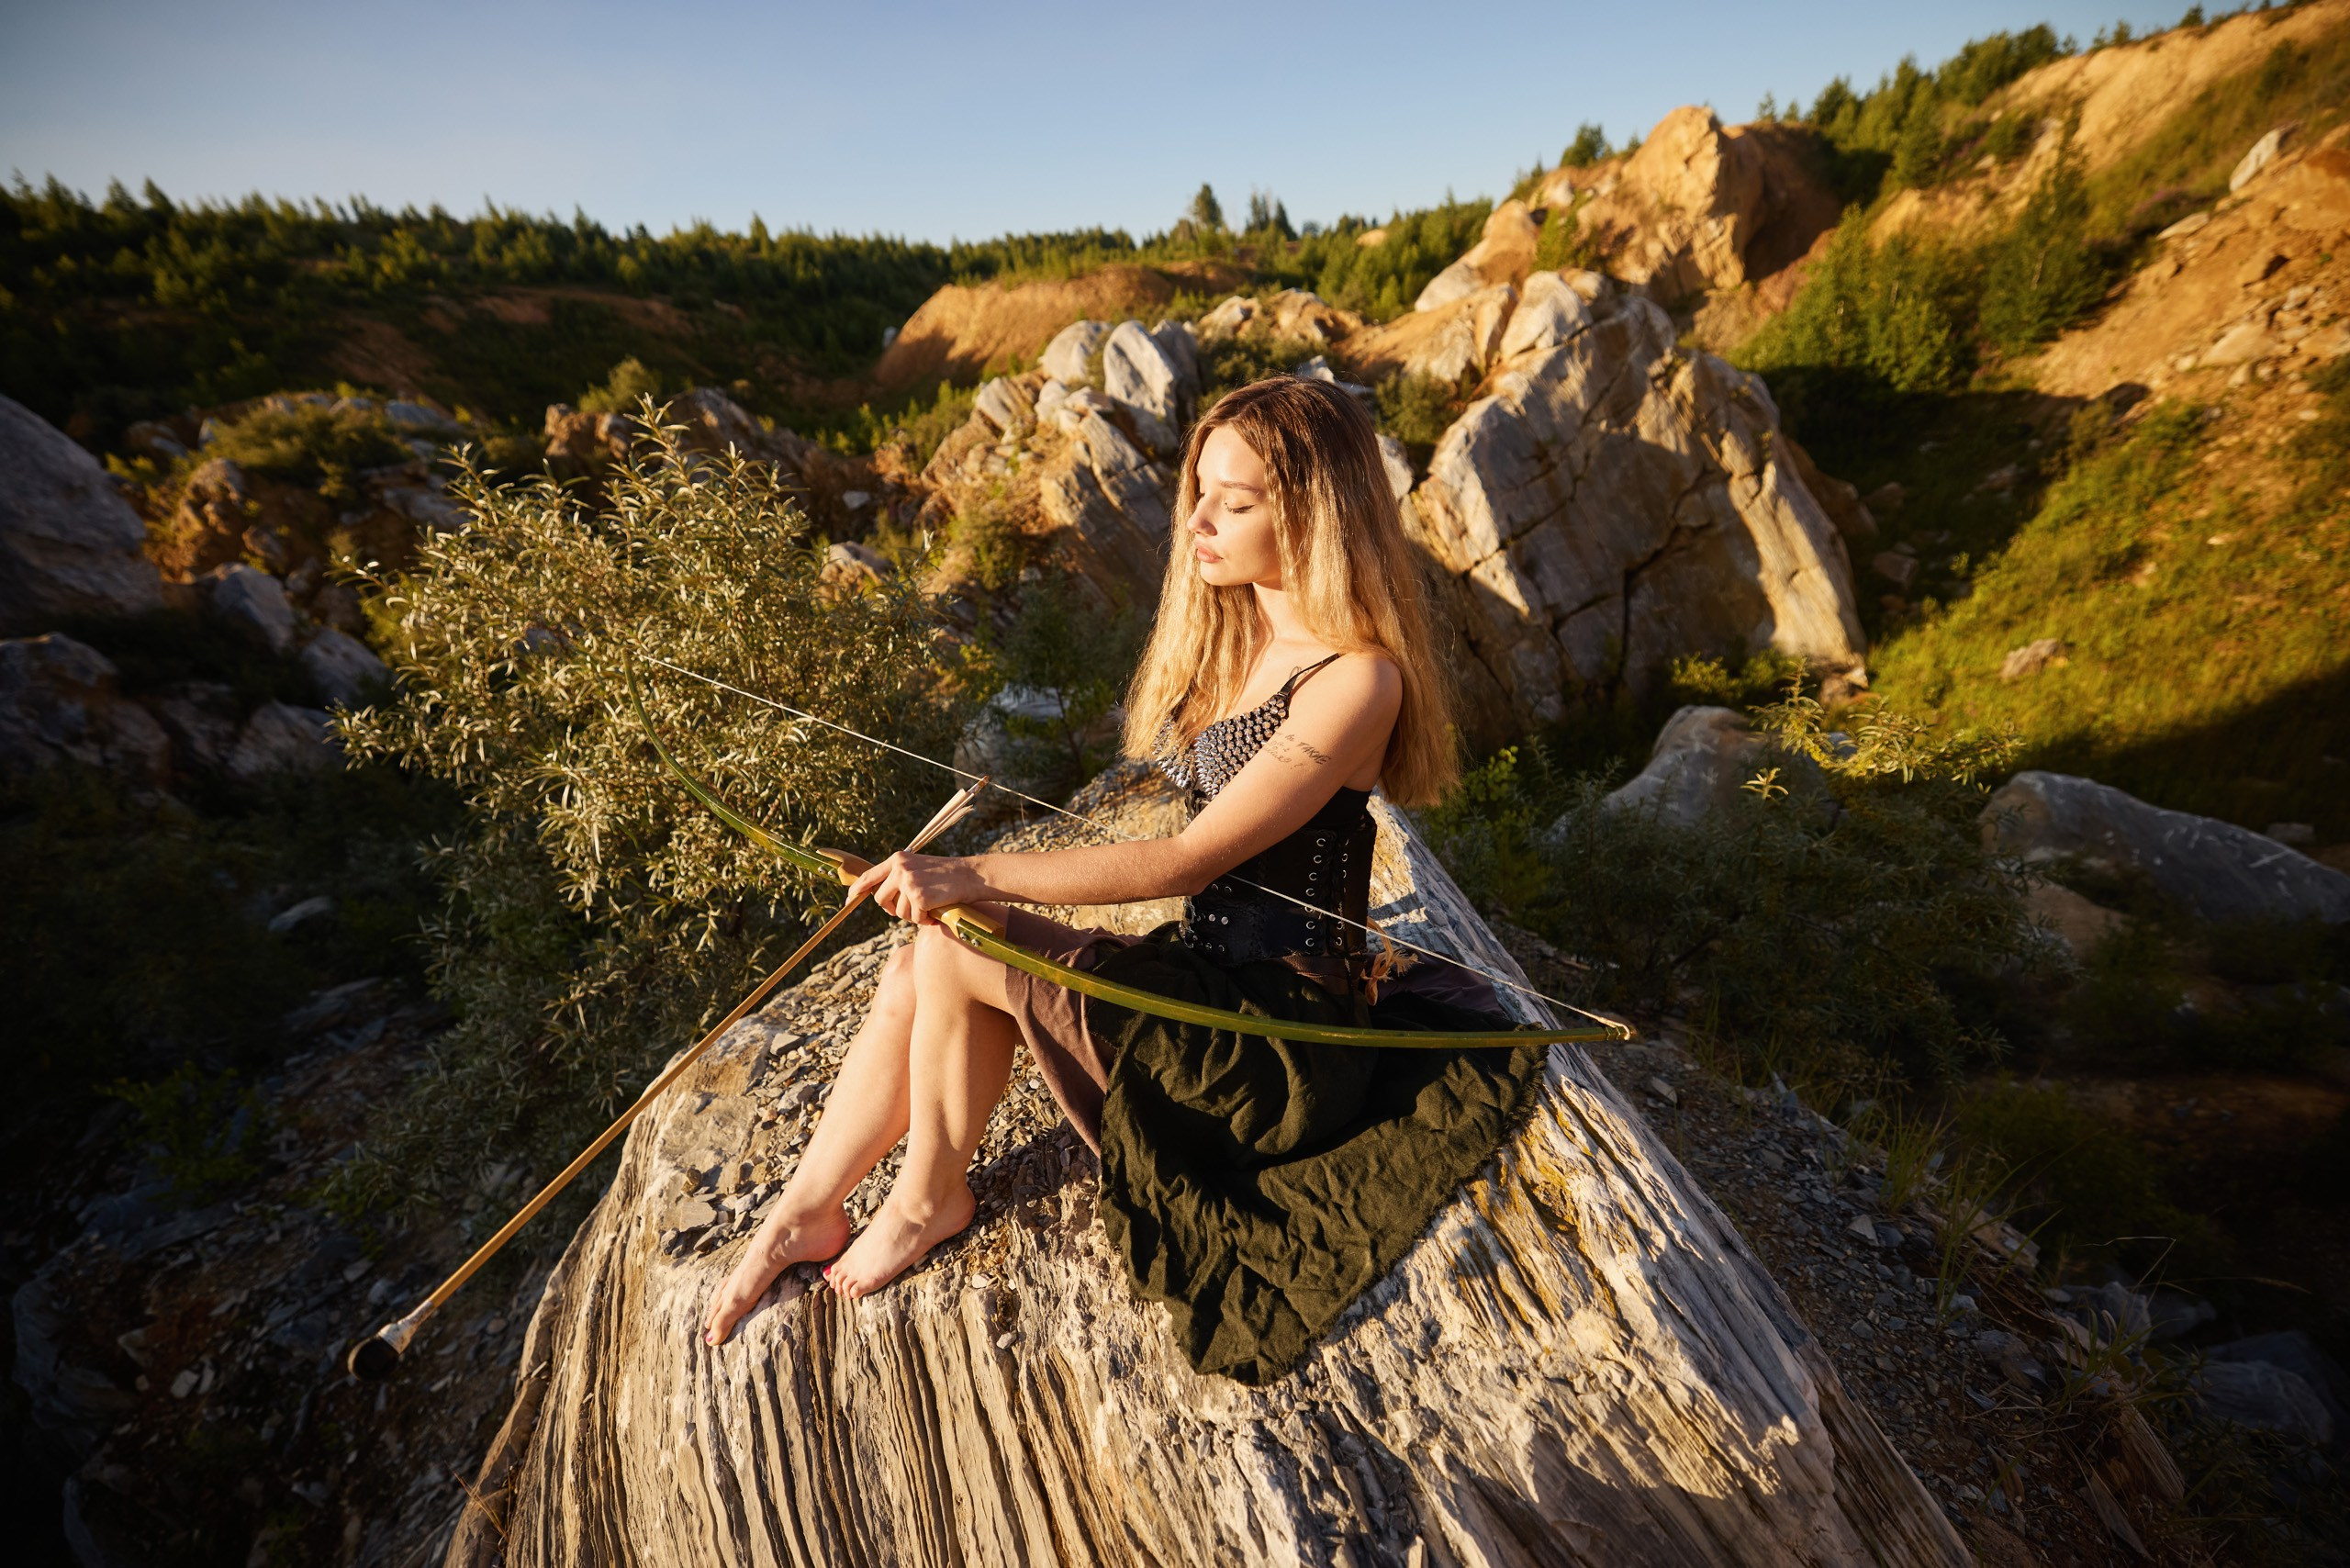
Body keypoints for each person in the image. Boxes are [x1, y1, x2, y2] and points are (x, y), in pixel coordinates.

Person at [701, 375, 1542, 1382]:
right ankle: (809, 1206)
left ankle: (929, 1197)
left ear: (1316, 514)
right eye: (1200, 490)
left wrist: (967, 874)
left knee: (954, 944)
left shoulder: (1357, 677)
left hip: (1266, 1047)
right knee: (916, 971)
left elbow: (1189, 859)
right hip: (1210, 983)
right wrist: (958, 888)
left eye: (1235, 502)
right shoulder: (1261, 642)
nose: (1198, 519)